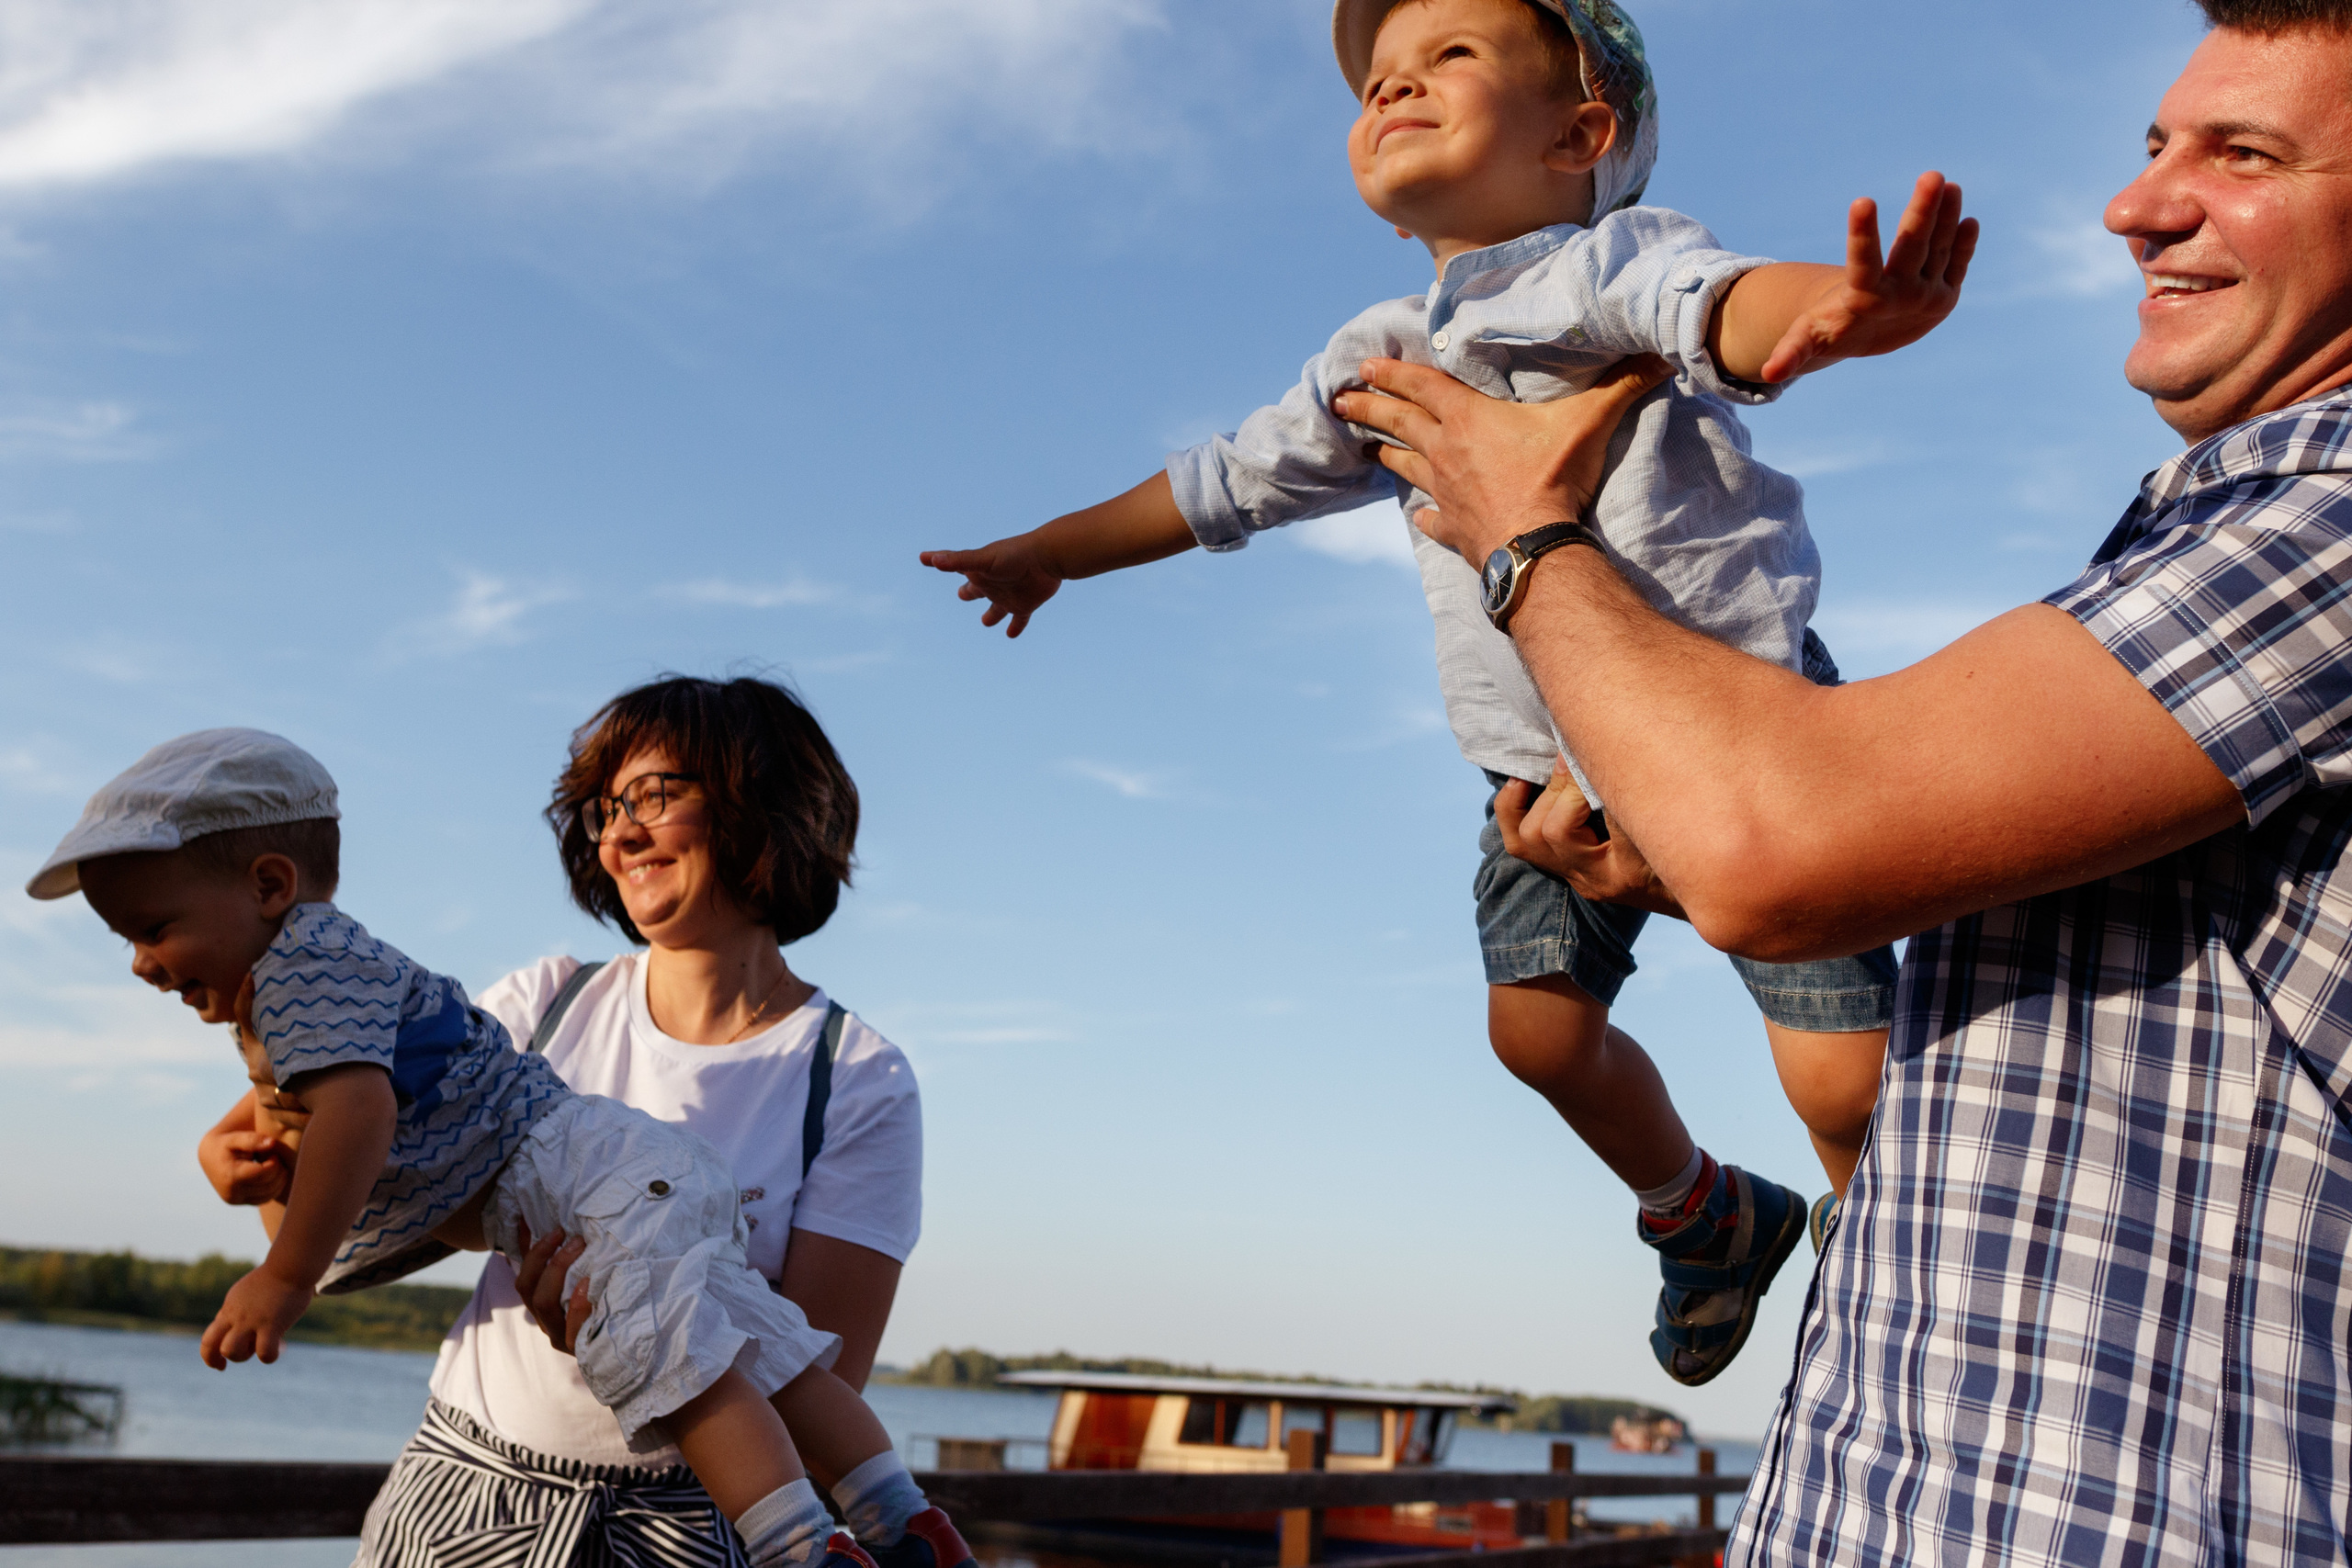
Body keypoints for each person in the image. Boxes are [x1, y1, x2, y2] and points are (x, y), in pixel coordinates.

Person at [1332, 1, 2352, 1558]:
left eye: (2244, 154)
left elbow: (1779, 844)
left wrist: (1520, 533)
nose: (2137, 204)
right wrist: (1661, 859)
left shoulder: (2333, 521)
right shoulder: (2216, 524)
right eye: (2156, 148)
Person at [919, 0, 1973, 1385]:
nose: (1394, 84)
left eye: (1450, 58)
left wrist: (1829, 314)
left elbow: (1716, 304)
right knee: (1535, 1033)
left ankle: (1900, 1261)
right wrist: (1051, 552)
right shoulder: (1380, 353)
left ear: (1579, 133)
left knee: (1843, 1075)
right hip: (1537, 768)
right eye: (1380, 77)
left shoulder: (1607, 262)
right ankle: (1708, 1212)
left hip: (1739, 727)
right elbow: (1225, 482)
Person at [29, 717, 966, 1568]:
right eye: (603, 809)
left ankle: (804, 1550)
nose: (618, 831)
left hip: (688, 1526)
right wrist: (254, 1177)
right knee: (757, 1337)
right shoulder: (544, 998)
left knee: (704, 1338)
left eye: (654, 795)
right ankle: (902, 1516)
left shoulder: (850, 1072)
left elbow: (357, 1126)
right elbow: (358, 1192)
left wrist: (283, 1277)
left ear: (770, 809)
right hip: (471, 1490)